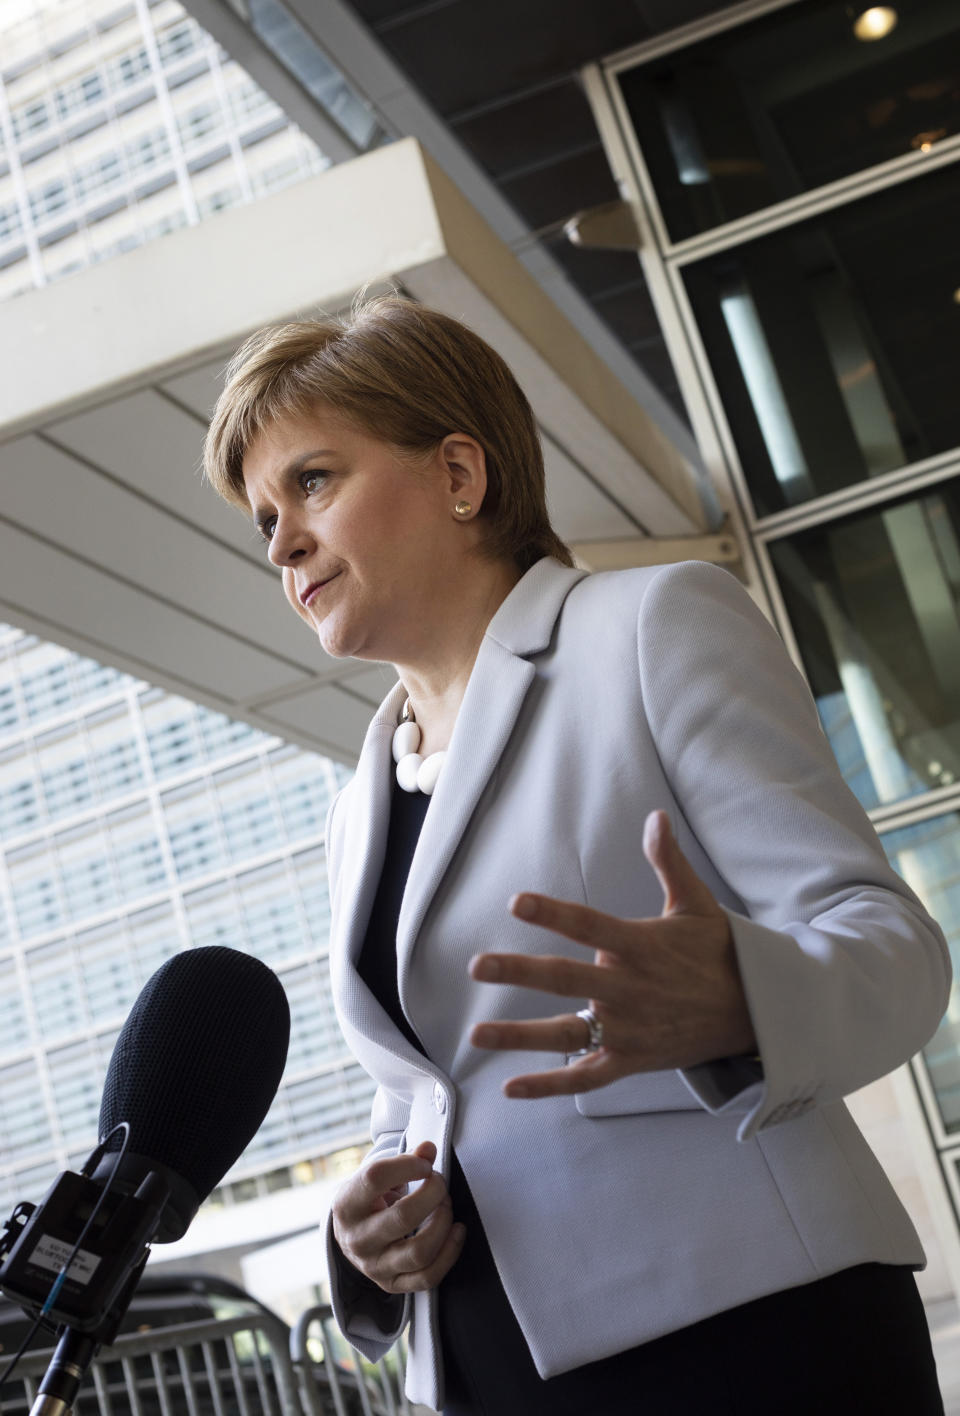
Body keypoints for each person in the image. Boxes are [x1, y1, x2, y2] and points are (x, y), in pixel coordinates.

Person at [203, 294, 949, 1415]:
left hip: (749, 1345)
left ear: (462, 473)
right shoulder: (361, 801)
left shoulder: (652, 629)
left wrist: (744, 996)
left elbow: (894, 953)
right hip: (492, 1371)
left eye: (313, 482)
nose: (284, 542)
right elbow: (423, 1093)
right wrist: (368, 1226)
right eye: (264, 517)